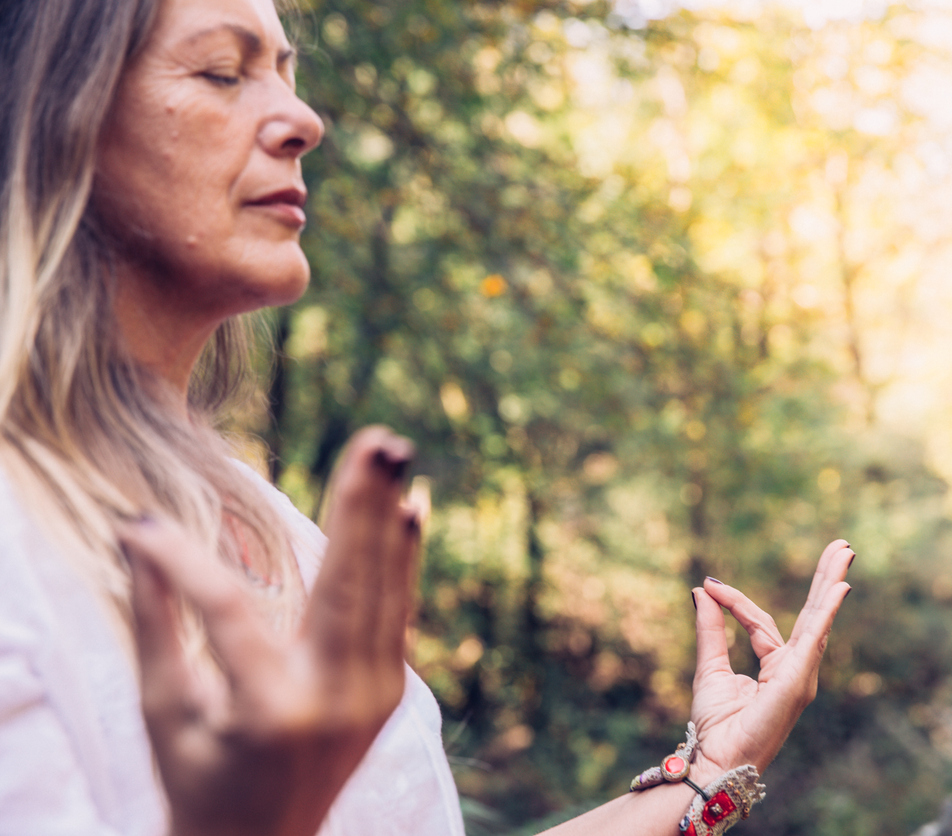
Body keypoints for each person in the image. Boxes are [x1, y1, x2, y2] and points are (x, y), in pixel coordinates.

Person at [0, 0, 857, 833]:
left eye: (287, 73)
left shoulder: (276, 528)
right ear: (54, 116)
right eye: (224, 71)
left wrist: (709, 774)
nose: (303, 118)